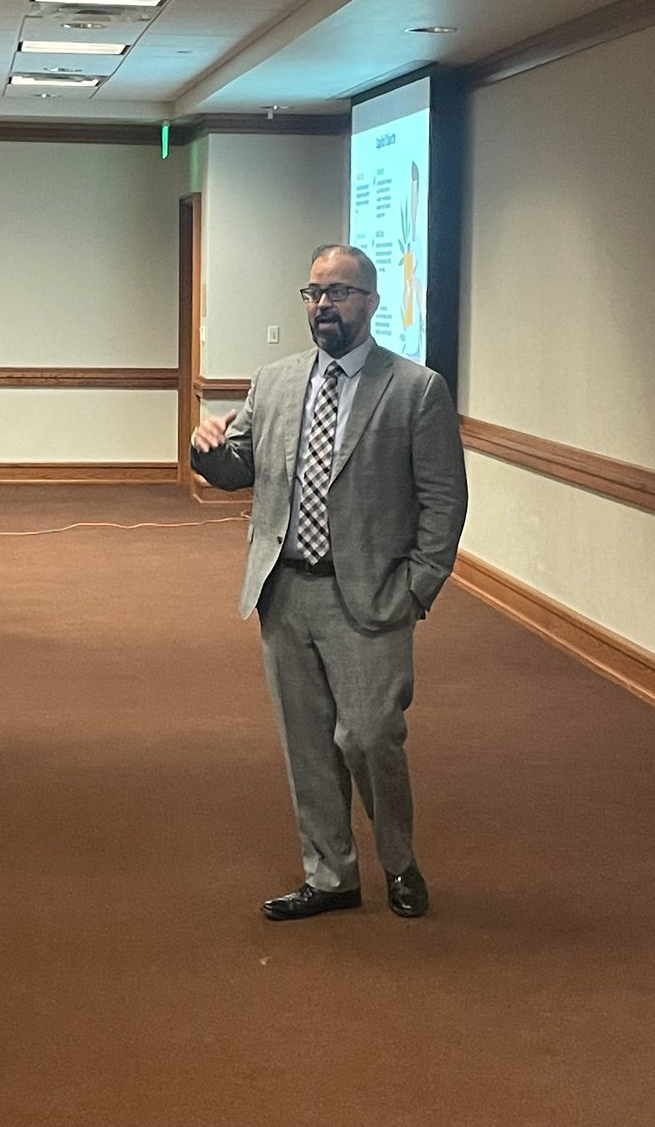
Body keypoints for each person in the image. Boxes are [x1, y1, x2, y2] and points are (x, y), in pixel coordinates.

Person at [192, 244, 468, 920]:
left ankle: (399, 862)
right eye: (315, 294)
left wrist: (418, 587)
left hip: (371, 597)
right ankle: (331, 875)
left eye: (340, 294)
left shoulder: (415, 389)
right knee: (308, 743)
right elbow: (240, 469)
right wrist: (208, 454)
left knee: (370, 735)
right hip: (285, 592)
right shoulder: (277, 382)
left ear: (372, 303)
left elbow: (444, 500)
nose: (324, 306)